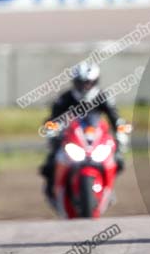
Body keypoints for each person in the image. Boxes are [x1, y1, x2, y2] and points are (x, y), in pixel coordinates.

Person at [39, 62, 125, 202]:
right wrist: (52, 127)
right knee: (51, 161)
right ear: (75, 82)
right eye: (82, 83)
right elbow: (53, 119)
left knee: (118, 160)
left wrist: (120, 128)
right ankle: (53, 189)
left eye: (89, 83)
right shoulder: (65, 98)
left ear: (95, 81)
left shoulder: (103, 97)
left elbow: (115, 118)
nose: (86, 86)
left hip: (96, 139)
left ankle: (108, 189)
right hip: (72, 138)